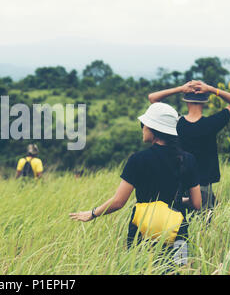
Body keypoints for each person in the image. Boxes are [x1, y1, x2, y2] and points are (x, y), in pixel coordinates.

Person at [69, 103, 202, 267]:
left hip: (142, 231)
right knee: (178, 270)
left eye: (143, 125)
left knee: (139, 269)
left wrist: (93, 213)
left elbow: (118, 202)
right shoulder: (188, 159)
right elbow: (197, 204)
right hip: (178, 232)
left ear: (153, 129)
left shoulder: (138, 160)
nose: (142, 128)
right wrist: (177, 201)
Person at [148, 80, 230, 213]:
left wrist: (181, 88)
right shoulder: (212, 123)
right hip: (203, 186)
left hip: (179, 185)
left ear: (186, 101)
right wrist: (211, 88)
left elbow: (152, 98)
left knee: (179, 225)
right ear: (205, 102)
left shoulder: (176, 123)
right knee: (203, 228)